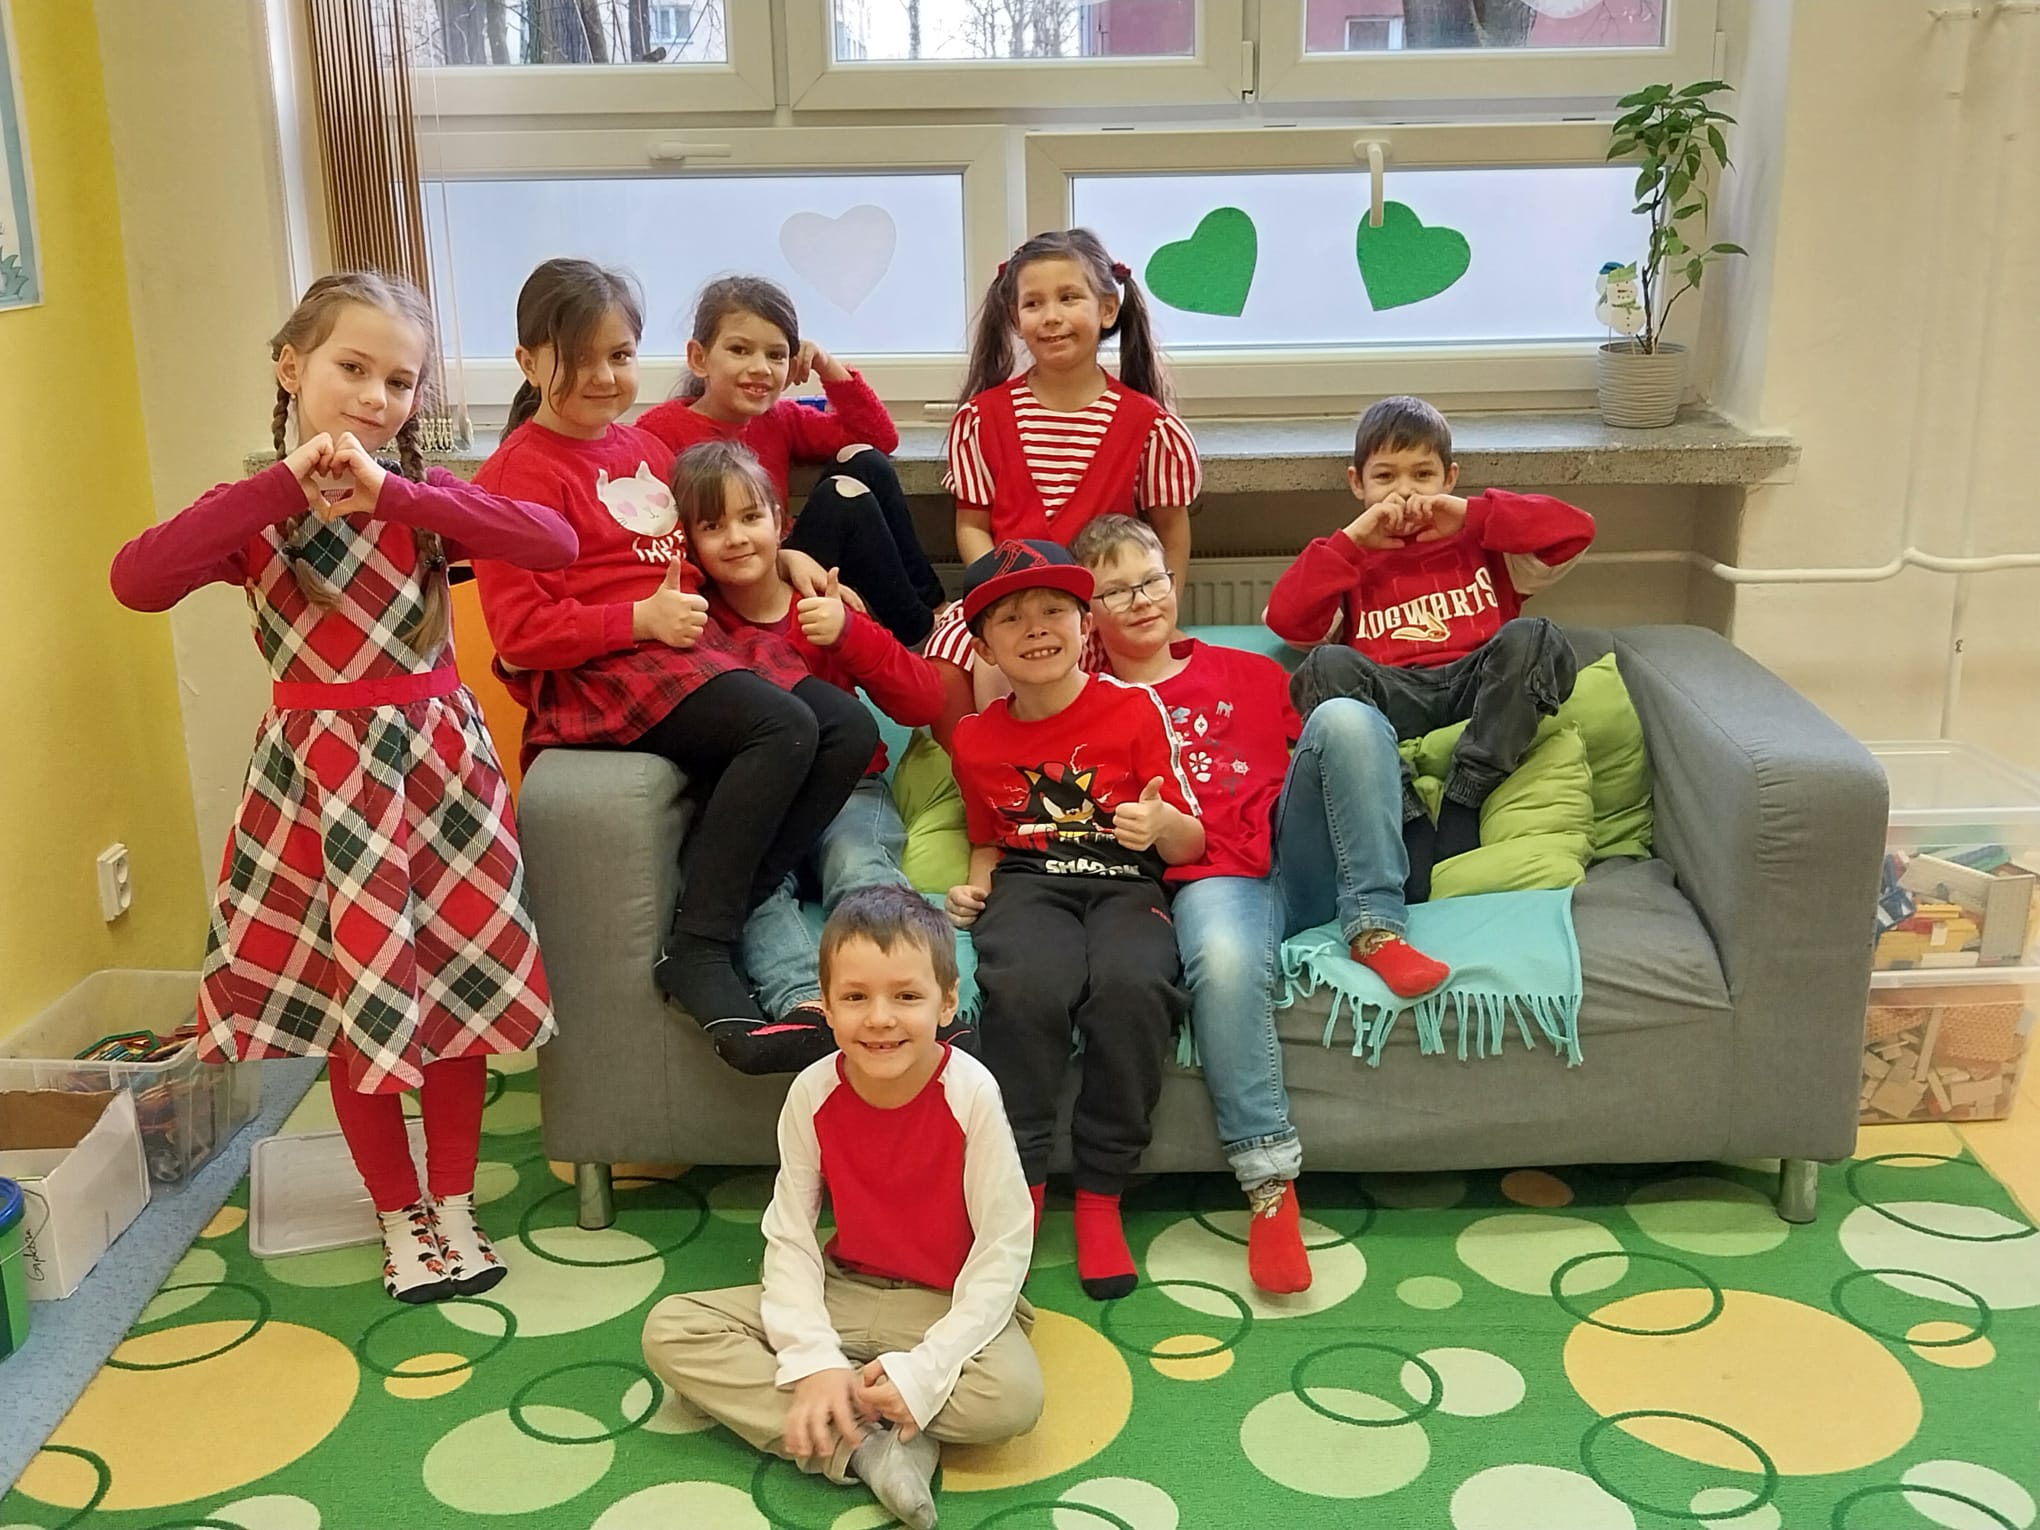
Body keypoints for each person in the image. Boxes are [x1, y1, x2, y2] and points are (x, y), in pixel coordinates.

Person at [109, 270, 577, 1304]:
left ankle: (452, 1201)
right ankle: (398, 1210)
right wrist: (283, 487)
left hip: (441, 785)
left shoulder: (425, 501)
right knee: (358, 1006)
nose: (375, 396)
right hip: (319, 792)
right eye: (352, 368)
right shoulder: (254, 515)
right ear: (292, 367)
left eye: (399, 381)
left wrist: (396, 493)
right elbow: (136, 580)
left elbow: (555, 544)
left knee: (452, 995)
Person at [469, 258, 872, 1076]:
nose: (603, 377)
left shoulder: (646, 448)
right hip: (601, 668)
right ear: (526, 362)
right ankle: (699, 944)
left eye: (619, 355)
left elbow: (704, 549)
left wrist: (783, 559)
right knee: (782, 726)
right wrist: (636, 620)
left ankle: (730, 902)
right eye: (577, 358)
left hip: (688, 645)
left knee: (848, 728)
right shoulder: (512, 475)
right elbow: (517, 635)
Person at [1074, 515, 1451, 1296]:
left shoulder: (1247, 671)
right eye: (1116, 592)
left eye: (1151, 581)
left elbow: (1335, 766)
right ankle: (1269, 1185)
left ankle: (1375, 926)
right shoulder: (1089, 707)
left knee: (1345, 715)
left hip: (1300, 853)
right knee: (1221, 960)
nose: (1142, 600)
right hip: (1214, 880)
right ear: (1088, 614)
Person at [642, 886, 1041, 1530]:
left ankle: (854, 1410)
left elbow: (1005, 1245)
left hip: (945, 1301)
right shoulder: (811, 1091)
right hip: (845, 1291)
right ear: (824, 1006)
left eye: (906, 997)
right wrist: (814, 1360)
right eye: (855, 998)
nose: (879, 1019)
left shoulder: (970, 1090)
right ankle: (870, 1445)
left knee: (1012, 1400)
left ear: (946, 1002)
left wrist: (927, 1371)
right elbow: (790, 1237)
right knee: (672, 1329)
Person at [943, 539, 1202, 1300]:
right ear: (983, 645)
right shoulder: (975, 739)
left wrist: (1159, 826)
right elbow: (988, 839)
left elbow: (1192, 839)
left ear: (1084, 624)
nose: (1036, 628)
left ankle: (1100, 1196)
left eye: (1054, 609)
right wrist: (974, 889)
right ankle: (1019, 1194)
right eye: (1011, 618)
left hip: (1127, 883)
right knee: (1026, 987)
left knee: (1132, 987)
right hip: (1031, 885)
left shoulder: (1134, 708)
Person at [1267, 395, 1596, 901]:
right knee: (1325, 665)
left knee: (1536, 636)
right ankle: (1408, 819)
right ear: (1357, 483)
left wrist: (1470, 515)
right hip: (1394, 698)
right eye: (1385, 477)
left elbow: (1576, 530)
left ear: (1449, 477)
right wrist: (1351, 541)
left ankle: (1467, 797)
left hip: (1477, 689)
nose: (1404, 491)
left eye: (1423, 475)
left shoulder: (1486, 543)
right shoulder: (1350, 560)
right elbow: (1285, 619)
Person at [673, 438, 945, 1042]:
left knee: (856, 861)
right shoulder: (699, 622)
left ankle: (907, 991)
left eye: (751, 517)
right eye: (713, 527)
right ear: (688, 542)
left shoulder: (823, 600)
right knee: (755, 890)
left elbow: (925, 702)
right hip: (761, 799)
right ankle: (806, 1007)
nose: (737, 538)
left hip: (850, 791)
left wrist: (850, 634)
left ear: (780, 522)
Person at [925, 229, 1202, 743]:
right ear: (1015, 318)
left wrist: (1161, 614)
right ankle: (979, 772)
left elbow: (1171, 532)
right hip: (1009, 603)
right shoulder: (981, 419)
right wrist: (1002, 594)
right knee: (947, 661)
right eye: (1033, 303)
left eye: (1068, 298)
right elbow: (972, 526)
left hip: (1097, 609)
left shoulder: (1150, 427)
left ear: (1107, 309)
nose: (1050, 316)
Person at [637, 275, 943, 646]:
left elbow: (878, 438)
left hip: (783, 556)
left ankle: (935, 606)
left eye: (776, 355)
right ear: (699, 359)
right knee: (840, 496)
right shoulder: (658, 431)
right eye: (739, 350)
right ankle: (921, 632)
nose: (761, 368)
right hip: (734, 575)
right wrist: (780, 558)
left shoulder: (778, 418)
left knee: (865, 461)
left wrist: (826, 365)